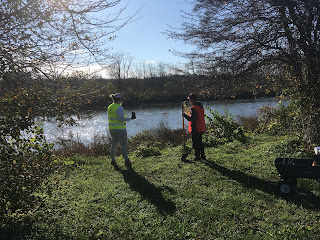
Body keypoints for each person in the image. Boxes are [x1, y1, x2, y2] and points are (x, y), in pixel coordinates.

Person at [107, 93, 136, 166]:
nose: (122, 101)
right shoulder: (119, 107)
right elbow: (121, 119)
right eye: (121, 99)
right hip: (120, 129)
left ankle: (113, 160)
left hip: (112, 129)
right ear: (119, 99)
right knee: (123, 144)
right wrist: (130, 118)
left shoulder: (110, 107)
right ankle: (126, 160)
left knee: (113, 144)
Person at [182, 93, 206, 161]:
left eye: (190, 100)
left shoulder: (194, 108)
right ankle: (203, 156)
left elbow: (191, 119)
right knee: (200, 142)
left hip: (196, 128)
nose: (189, 102)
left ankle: (197, 157)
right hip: (201, 127)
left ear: (192, 100)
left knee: (195, 143)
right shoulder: (200, 106)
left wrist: (184, 115)